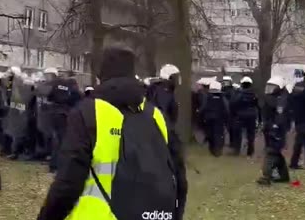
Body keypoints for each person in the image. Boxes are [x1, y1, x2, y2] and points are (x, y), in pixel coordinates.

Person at [37, 46, 187, 220]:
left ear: (101, 77)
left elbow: (69, 183)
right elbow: (178, 175)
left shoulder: (88, 112)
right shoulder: (156, 116)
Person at [257, 76, 290, 186]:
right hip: (271, 127)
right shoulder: (272, 98)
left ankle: (266, 177)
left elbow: (280, 115)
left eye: (273, 87)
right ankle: (284, 176)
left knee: (271, 152)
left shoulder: (282, 99)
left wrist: (275, 127)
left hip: (276, 129)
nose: (270, 89)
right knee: (276, 153)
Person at [44, 67, 74, 173]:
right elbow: (75, 97)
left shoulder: (54, 84)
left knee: (55, 139)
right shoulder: (69, 85)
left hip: (54, 112)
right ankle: (59, 164)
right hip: (64, 113)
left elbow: (48, 96)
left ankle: (53, 165)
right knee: (61, 139)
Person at [230, 76, 260, 157]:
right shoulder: (254, 94)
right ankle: (250, 151)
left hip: (240, 116)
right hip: (251, 116)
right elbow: (258, 106)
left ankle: (236, 150)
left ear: (242, 84)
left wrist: (234, 114)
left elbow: (233, 104)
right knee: (251, 134)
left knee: (237, 134)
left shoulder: (238, 94)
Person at [199, 81, 230, 157]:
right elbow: (226, 109)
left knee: (210, 134)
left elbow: (203, 107)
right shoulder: (222, 98)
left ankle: (212, 149)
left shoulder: (207, 97)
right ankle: (218, 150)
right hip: (219, 119)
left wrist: (200, 114)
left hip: (209, 118)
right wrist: (226, 118)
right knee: (219, 134)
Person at [221, 76, 236, 148]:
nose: (225, 83)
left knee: (230, 128)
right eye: (224, 81)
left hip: (229, 111)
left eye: (227, 82)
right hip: (223, 111)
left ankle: (232, 142)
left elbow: (232, 101)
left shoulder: (231, 90)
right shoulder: (222, 89)